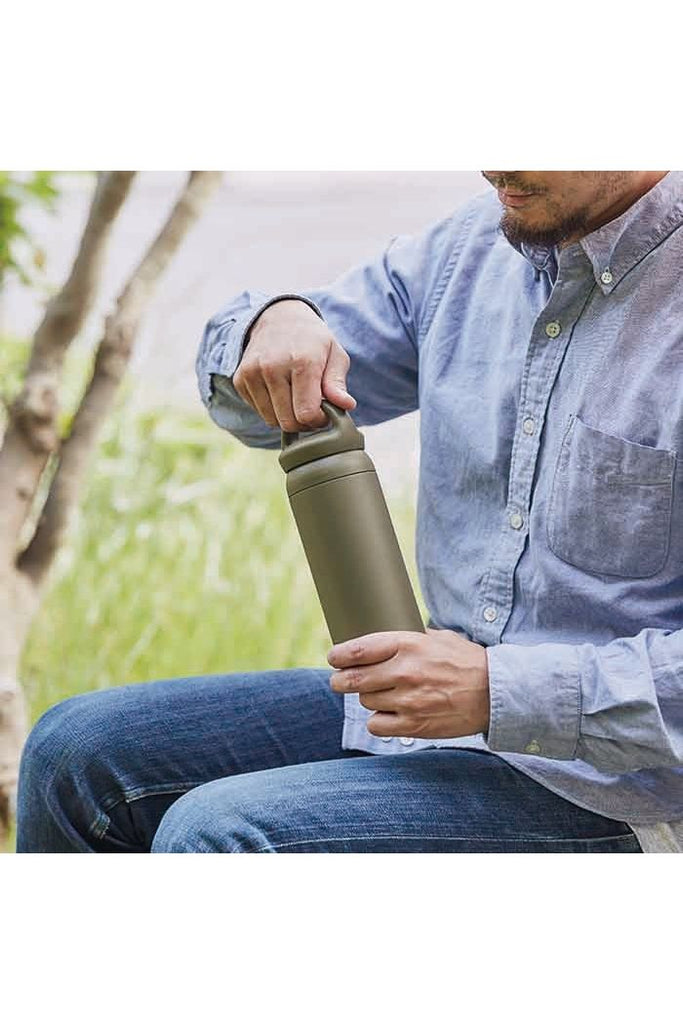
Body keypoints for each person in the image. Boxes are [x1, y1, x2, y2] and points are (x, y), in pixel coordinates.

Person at [16, 171, 683, 854]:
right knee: (74, 756)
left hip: (624, 792)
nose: (494, 167)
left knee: (222, 837)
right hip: (430, 721)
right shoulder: (472, 248)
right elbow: (255, 400)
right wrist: (272, 324)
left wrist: (498, 689)